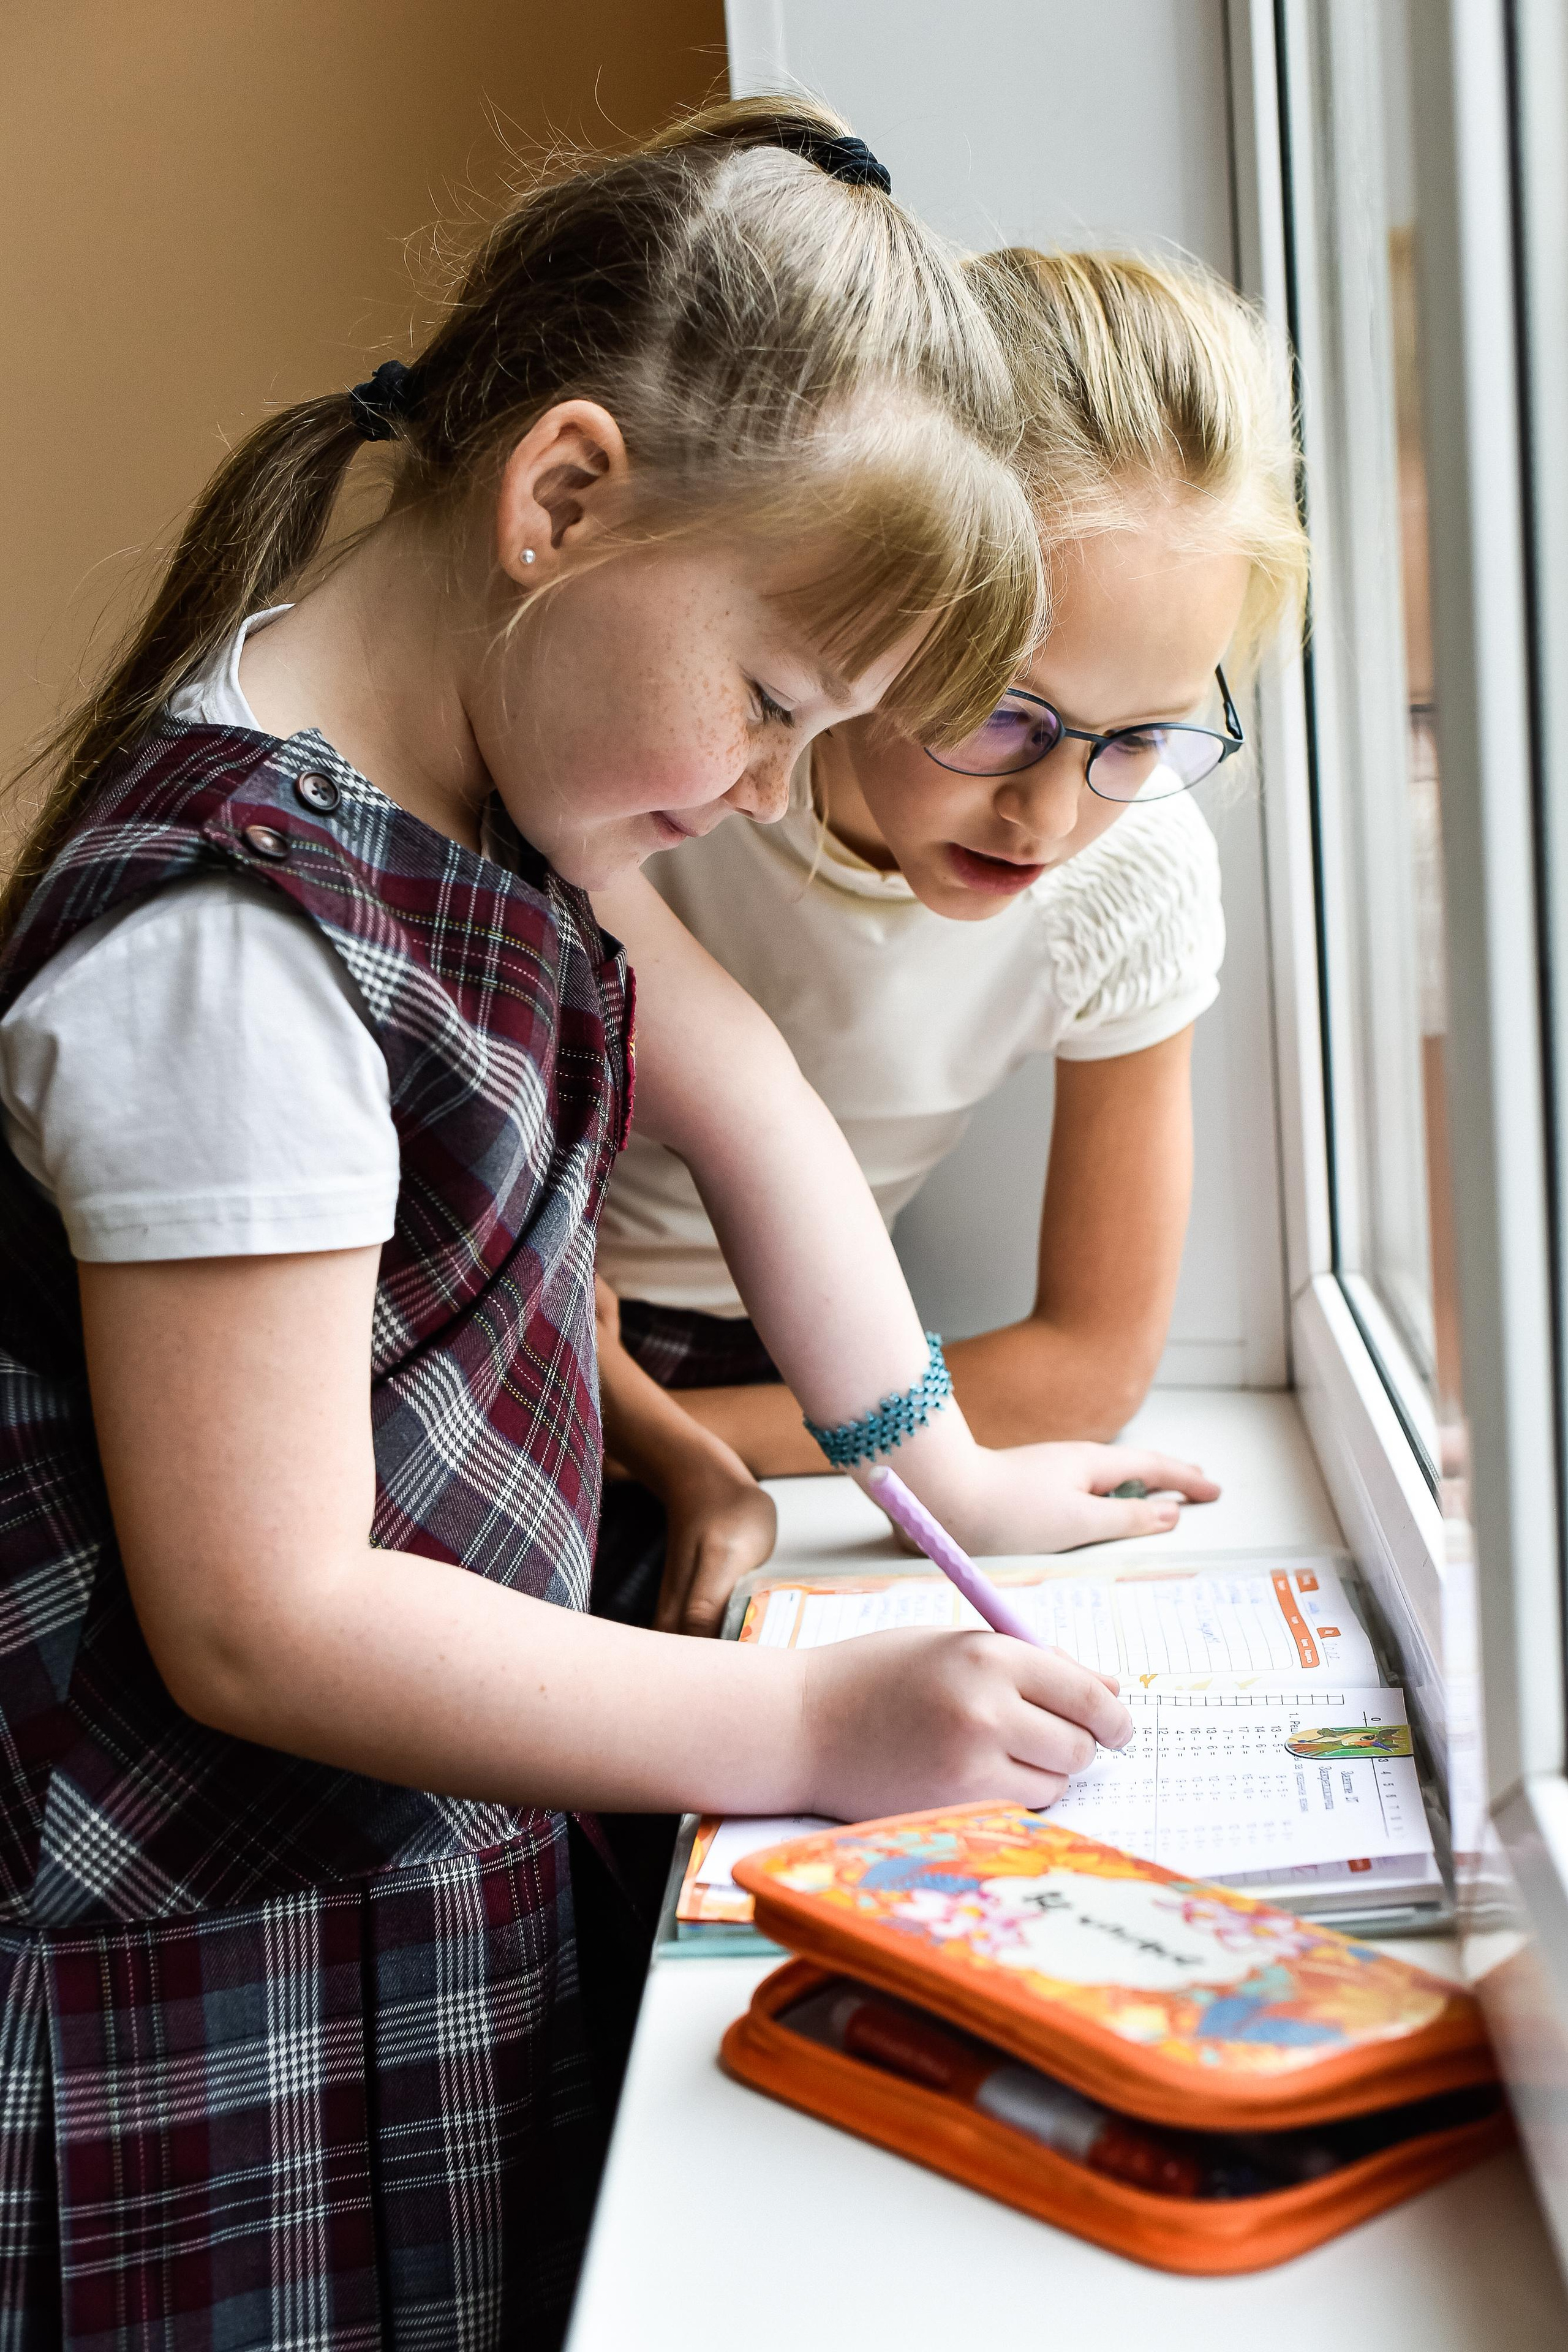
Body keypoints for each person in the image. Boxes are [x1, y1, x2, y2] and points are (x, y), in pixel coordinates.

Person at [0, 105, 1215, 2348]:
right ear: (562, 501)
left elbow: (746, 1103)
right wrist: (813, 1735)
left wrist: (937, 1482)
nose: (765, 791)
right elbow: (263, 1618)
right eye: (769, 702)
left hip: (416, 1878)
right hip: (219, 1976)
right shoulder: (235, 951)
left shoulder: (492, 797)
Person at [594, 245, 1308, 1640]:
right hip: (511, 1322)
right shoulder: (674, 781)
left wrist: (682, 1432)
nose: (1049, 814)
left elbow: (1079, 1369)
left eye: (1144, 739)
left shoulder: (1136, 869)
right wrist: (636, 1426)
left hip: (797, 1368)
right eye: (1002, 712)